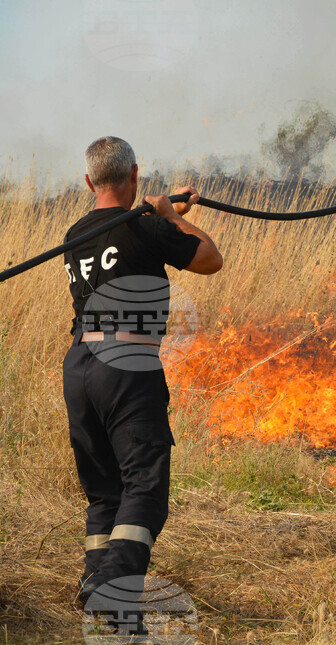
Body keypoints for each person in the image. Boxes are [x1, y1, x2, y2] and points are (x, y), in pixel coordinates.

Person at [64, 136, 223, 604]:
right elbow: (211, 259)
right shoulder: (146, 226)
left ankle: (95, 584)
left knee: (105, 494)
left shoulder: (73, 235)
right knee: (145, 489)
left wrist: (161, 218)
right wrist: (171, 217)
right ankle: (112, 584)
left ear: (89, 181)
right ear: (135, 174)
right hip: (127, 366)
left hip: (79, 367)